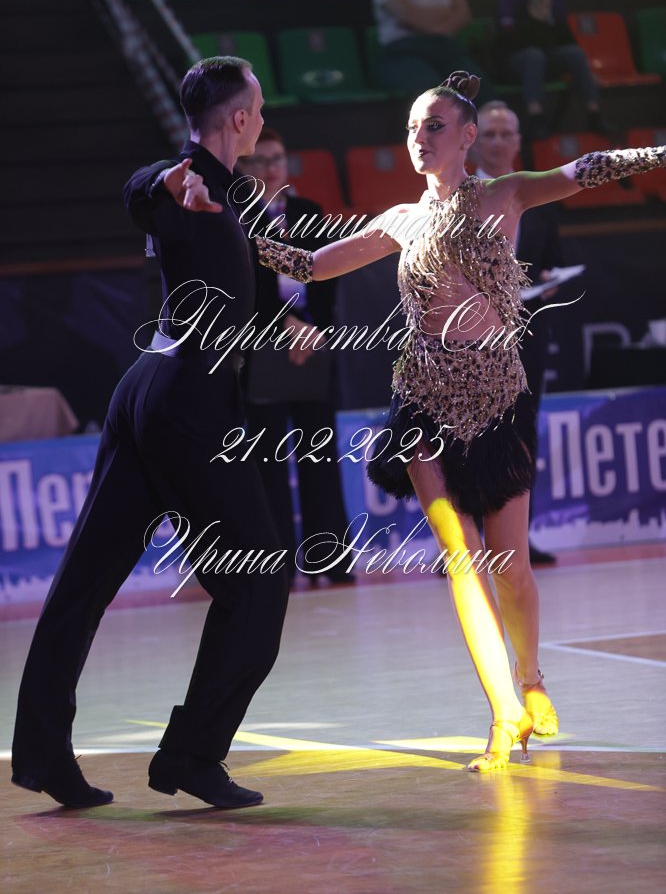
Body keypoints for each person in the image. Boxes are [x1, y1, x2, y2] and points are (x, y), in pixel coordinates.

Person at [242, 72, 664, 771]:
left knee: (510, 566)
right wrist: (232, 232)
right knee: (462, 560)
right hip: (423, 398)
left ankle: (530, 678)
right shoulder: (399, 221)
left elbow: (583, 169)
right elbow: (312, 266)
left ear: (468, 136)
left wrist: (656, 153)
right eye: (412, 128)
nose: (419, 138)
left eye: (434, 126)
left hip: (498, 394)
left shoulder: (508, 193)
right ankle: (501, 712)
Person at [10, 56, 290, 809]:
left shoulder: (225, 192)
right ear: (239, 119)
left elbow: (253, 269)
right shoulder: (184, 186)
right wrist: (166, 181)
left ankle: (43, 755)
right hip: (186, 401)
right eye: (259, 110)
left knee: (84, 581)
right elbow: (141, 188)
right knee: (260, 582)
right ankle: (192, 756)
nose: (264, 121)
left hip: (151, 389)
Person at [235, 128, 354, 587]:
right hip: (260, 347)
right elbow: (241, 287)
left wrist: (314, 331)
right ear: (243, 168)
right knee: (266, 460)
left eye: (278, 159)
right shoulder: (237, 217)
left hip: (313, 346)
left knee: (319, 455)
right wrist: (284, 325)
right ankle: (276, 566)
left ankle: (330, 559)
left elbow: (329, 279)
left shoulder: (309, 213)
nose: (271, 169)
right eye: (260, 161)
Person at [472, 100, 563, 568]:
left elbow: (554, 264)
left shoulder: (539, 199)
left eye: (506, 133)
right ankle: (469, 543)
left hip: (526, 336)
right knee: (470, 435)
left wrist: (548, 280)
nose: (498, 141)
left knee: (522, 434)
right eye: (489, 133)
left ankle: (518, 541)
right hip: (470, 338)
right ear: (473, 140)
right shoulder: (461, 198)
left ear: (518, 141)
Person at [497, 0, 604, 139]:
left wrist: (550, 18)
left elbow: (565, 37)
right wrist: (534, 19)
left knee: (574, 53)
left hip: (548, 58)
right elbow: (509, 43)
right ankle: (535, 115)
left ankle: (594, 113)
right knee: (534, 56)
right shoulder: (509, 1)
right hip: (516, 63)